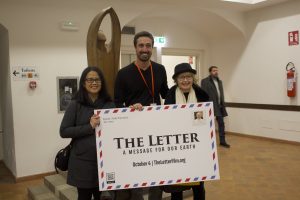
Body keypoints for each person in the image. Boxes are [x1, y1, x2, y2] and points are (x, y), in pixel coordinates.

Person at [114, 31, 169, 200]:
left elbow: (167, 94)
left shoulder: (160, 69)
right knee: (136, 171)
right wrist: (129, 108)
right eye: (141, 45)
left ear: (152, 48)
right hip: (133, 130)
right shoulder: (123, 73)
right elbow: (116, 103)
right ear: (135, 48)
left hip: (156, 128)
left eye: (148, 45)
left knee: (156, 169)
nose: (144, 49)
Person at [60, 66, 115, 200]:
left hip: (106, 162)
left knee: (102, 197)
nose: (94, 83)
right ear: (84, 83)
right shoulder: (75, 104)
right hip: (82, 162)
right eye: (90, 80)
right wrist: (89, 126)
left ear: (102, 82)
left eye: (97, 79)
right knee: (84, 196)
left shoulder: (110, 104)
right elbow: (64, 131)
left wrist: (134, 110)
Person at [163, 62, 208, 200]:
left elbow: (208, 119)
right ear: (176, 80)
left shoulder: (202, 94)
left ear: (193, 78)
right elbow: (165, 121)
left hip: (197, 146)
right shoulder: (170, 95)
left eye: (188, 76)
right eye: (182, 77)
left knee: (198, 185)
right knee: (177, 186)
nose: (185, 80)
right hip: (177, 148)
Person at [201, 66, 230, 148]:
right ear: (210, 72)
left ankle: (222, 141)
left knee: (221, 123)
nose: (216, 72)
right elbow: (203, 94)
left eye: (217, 70)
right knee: (207, 125)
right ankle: (206, 142)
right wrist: (205, 106)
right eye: (214, 70)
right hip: (209, 106)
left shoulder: (219, 81)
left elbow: (221, 94)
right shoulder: (205, 81)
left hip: (219, 106)